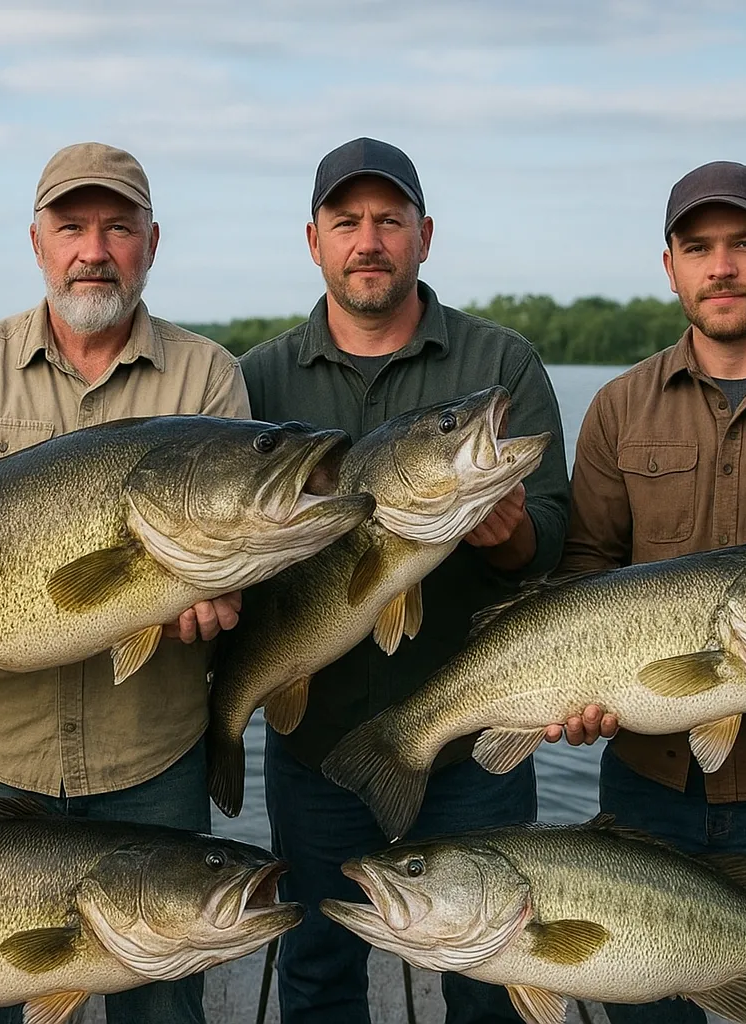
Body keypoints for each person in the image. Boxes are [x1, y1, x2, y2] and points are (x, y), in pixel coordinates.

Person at [0, 142, 249, 1024]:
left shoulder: (209, 377)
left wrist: (223, 595)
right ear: (37, 241)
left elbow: (243, 555)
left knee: (163, 1008)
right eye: (72, 225)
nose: (95, 248)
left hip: (152, 758)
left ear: (152, 244)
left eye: (118, 226)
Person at [239, 137, 570, 1024]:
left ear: (426, 234)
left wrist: (504, 539)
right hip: (316, 748)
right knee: (315, 967)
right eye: (346, 221)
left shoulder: (501, 366)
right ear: (313, 241)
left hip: (473, 744)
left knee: (489, 977)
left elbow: (551, 541)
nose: (369, 240)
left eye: (390, 219)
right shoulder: (258, 379)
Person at [559, 160, 746, 1022]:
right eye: (700, 247)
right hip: (646, 790)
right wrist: (580, 687)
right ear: (671, 266)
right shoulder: (615, 406)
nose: (722, 266)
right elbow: (583, 570)